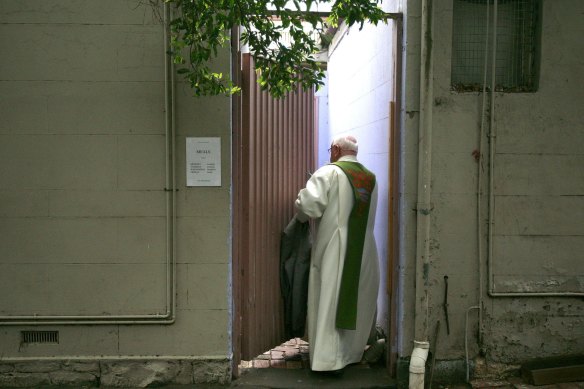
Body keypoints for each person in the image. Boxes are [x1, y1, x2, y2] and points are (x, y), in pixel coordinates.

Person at [294, 135, 380, 372]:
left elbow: (310, 205)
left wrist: (299, 202)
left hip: (334, 248)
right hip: (364, 249)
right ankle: (350, 355)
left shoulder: (329, 173)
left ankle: (327, 360)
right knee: (357, 298)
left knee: (329, 298)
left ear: (335, 150)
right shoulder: (371, 178)